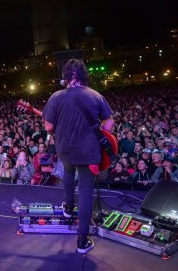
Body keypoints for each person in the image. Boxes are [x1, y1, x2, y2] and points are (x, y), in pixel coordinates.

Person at [43, 59, 114, 254]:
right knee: (85, 193)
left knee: (67, 169)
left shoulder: (56, 96)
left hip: (65, 149)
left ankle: (67, 206)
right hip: (88, 152)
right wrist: (99, 135)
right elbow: (108, 123)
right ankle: (82, 242)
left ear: (66, 76)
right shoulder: (95, 96)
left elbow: (49, 127)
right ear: (84, 75)